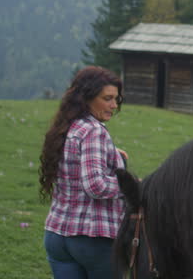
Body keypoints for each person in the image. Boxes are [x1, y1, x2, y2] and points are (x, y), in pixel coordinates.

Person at [39, 65, 129, 278]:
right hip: (92, 238)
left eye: (116, 99)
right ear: (87, 97)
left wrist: (112, 153)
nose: (114, 105)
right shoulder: (94, 131)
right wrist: (131, 185)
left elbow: (74, 162)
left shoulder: (68, 127)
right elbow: (95, 185)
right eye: (107, 98)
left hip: (57, 235)